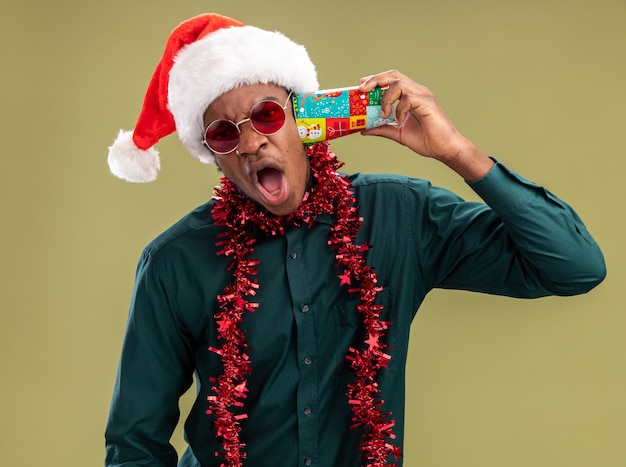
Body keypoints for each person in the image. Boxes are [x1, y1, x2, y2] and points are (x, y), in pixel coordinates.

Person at [104, 13, 606, 467]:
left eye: (267, 116)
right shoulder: (174, 262)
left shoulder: (398, 215)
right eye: (224, 133)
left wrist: (456, 152)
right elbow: (134, 447)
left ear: (303, 118)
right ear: (215, 155)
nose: (254, 141)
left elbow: (575, 266)